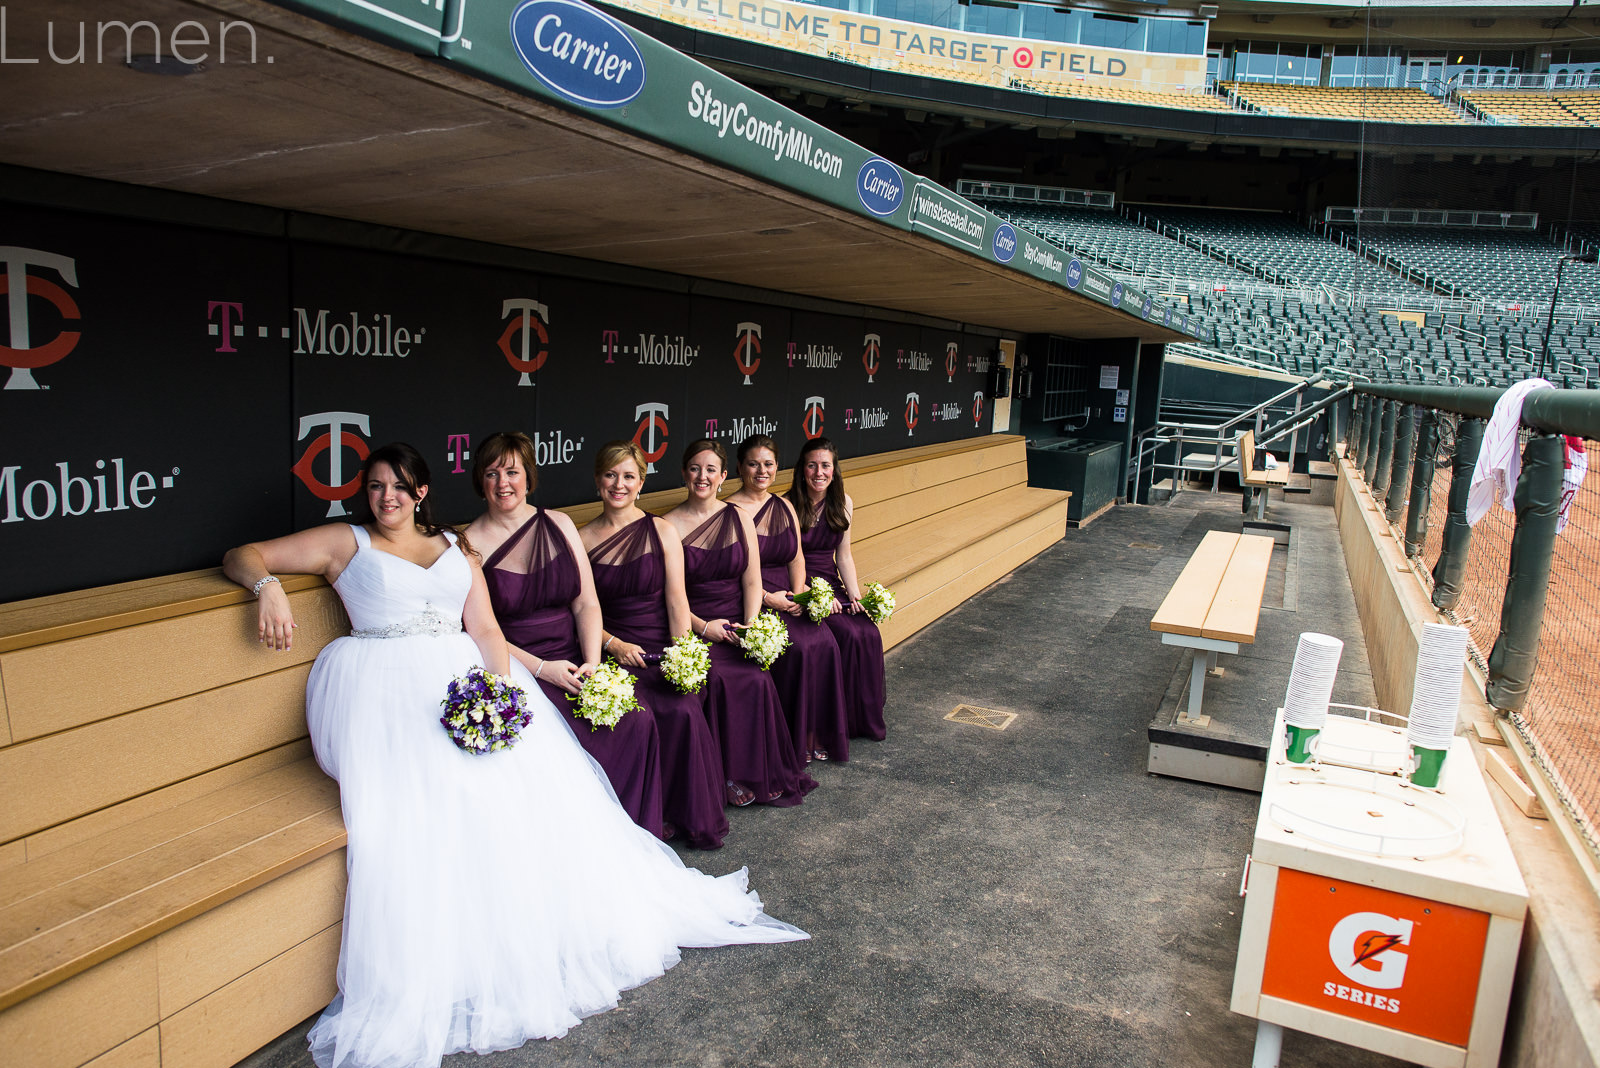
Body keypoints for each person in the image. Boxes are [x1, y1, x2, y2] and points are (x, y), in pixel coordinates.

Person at [223, 442, 804, 1068]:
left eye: (399, 486)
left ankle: (539, 924)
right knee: (442, 799)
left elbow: (488, 631)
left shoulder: (453, 546)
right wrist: (268, 587)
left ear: (421, 493)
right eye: (374, 487)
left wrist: (497, 692)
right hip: (382, 690)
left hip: (467, 683)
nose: (386, 497)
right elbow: (242, 554)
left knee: (524, 788)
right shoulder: (344, 542)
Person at [463, 431, 666, 839]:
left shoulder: (559, 524)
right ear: (479, 481)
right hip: (518, 665)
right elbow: (479, 631)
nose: (504, 483)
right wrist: (542, 669)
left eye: (513, 472)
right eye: (492, 473)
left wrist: (593, 663)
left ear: (529, 477)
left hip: (576, 656)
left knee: (635, 721)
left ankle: (630, 838)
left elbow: (586, 603)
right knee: (558, 738)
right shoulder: (467, 545)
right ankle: (576, 843)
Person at [578, 441, 729, 846]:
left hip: (661, 650)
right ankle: (645, 816)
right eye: (611, 475)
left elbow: (677, 600)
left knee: (681, 709)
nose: (619, 484)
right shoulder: (583, 539)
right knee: (636, 716)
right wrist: (613, 645)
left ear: (641, 483)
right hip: (616, 653)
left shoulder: (661, 530)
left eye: (628, 476)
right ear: (597, 481)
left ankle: (684, 813)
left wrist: (685, 661)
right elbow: (584, 609)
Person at [663, 440, 817, 807]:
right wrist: (702, 629)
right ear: (684, 474)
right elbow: (670, 595)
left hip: (735, 623)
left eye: (711, 470)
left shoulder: (739, 518)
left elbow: (751, 580)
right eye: (695, 469)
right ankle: (725, 776)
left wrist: (750, 629)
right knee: (717, 680)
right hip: (695, 623)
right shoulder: (667, 525)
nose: (703, 477)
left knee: (757, 677)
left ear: (723, 476)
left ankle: (758, 770)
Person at [726, 433, 850, 764]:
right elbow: (735, 573)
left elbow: (797, 558)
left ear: (777, 467)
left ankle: (814, 733)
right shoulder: (729, 511)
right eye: (753, 464)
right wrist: (770, 599)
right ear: (740, 468)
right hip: (752, 598)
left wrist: (799, 595)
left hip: (789, 594)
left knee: (823, 641)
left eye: (768, 464)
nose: (761, 471)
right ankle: (791, 738)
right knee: (797, 648)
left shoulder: (784, 506)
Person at [786, 437, 888, 741]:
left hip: (830, 581)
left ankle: (857, 721)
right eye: (812, 465)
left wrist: (854, 594)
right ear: (802, 469)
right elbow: (791, 558)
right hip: (799, 582)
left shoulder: (843, 502)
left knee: (866, 633)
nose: (819, 472)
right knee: (840, 635)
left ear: (835, 469)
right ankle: (829, 725)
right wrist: (810, 594)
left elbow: (843, 554)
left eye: (825, 465)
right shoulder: (787, 504)